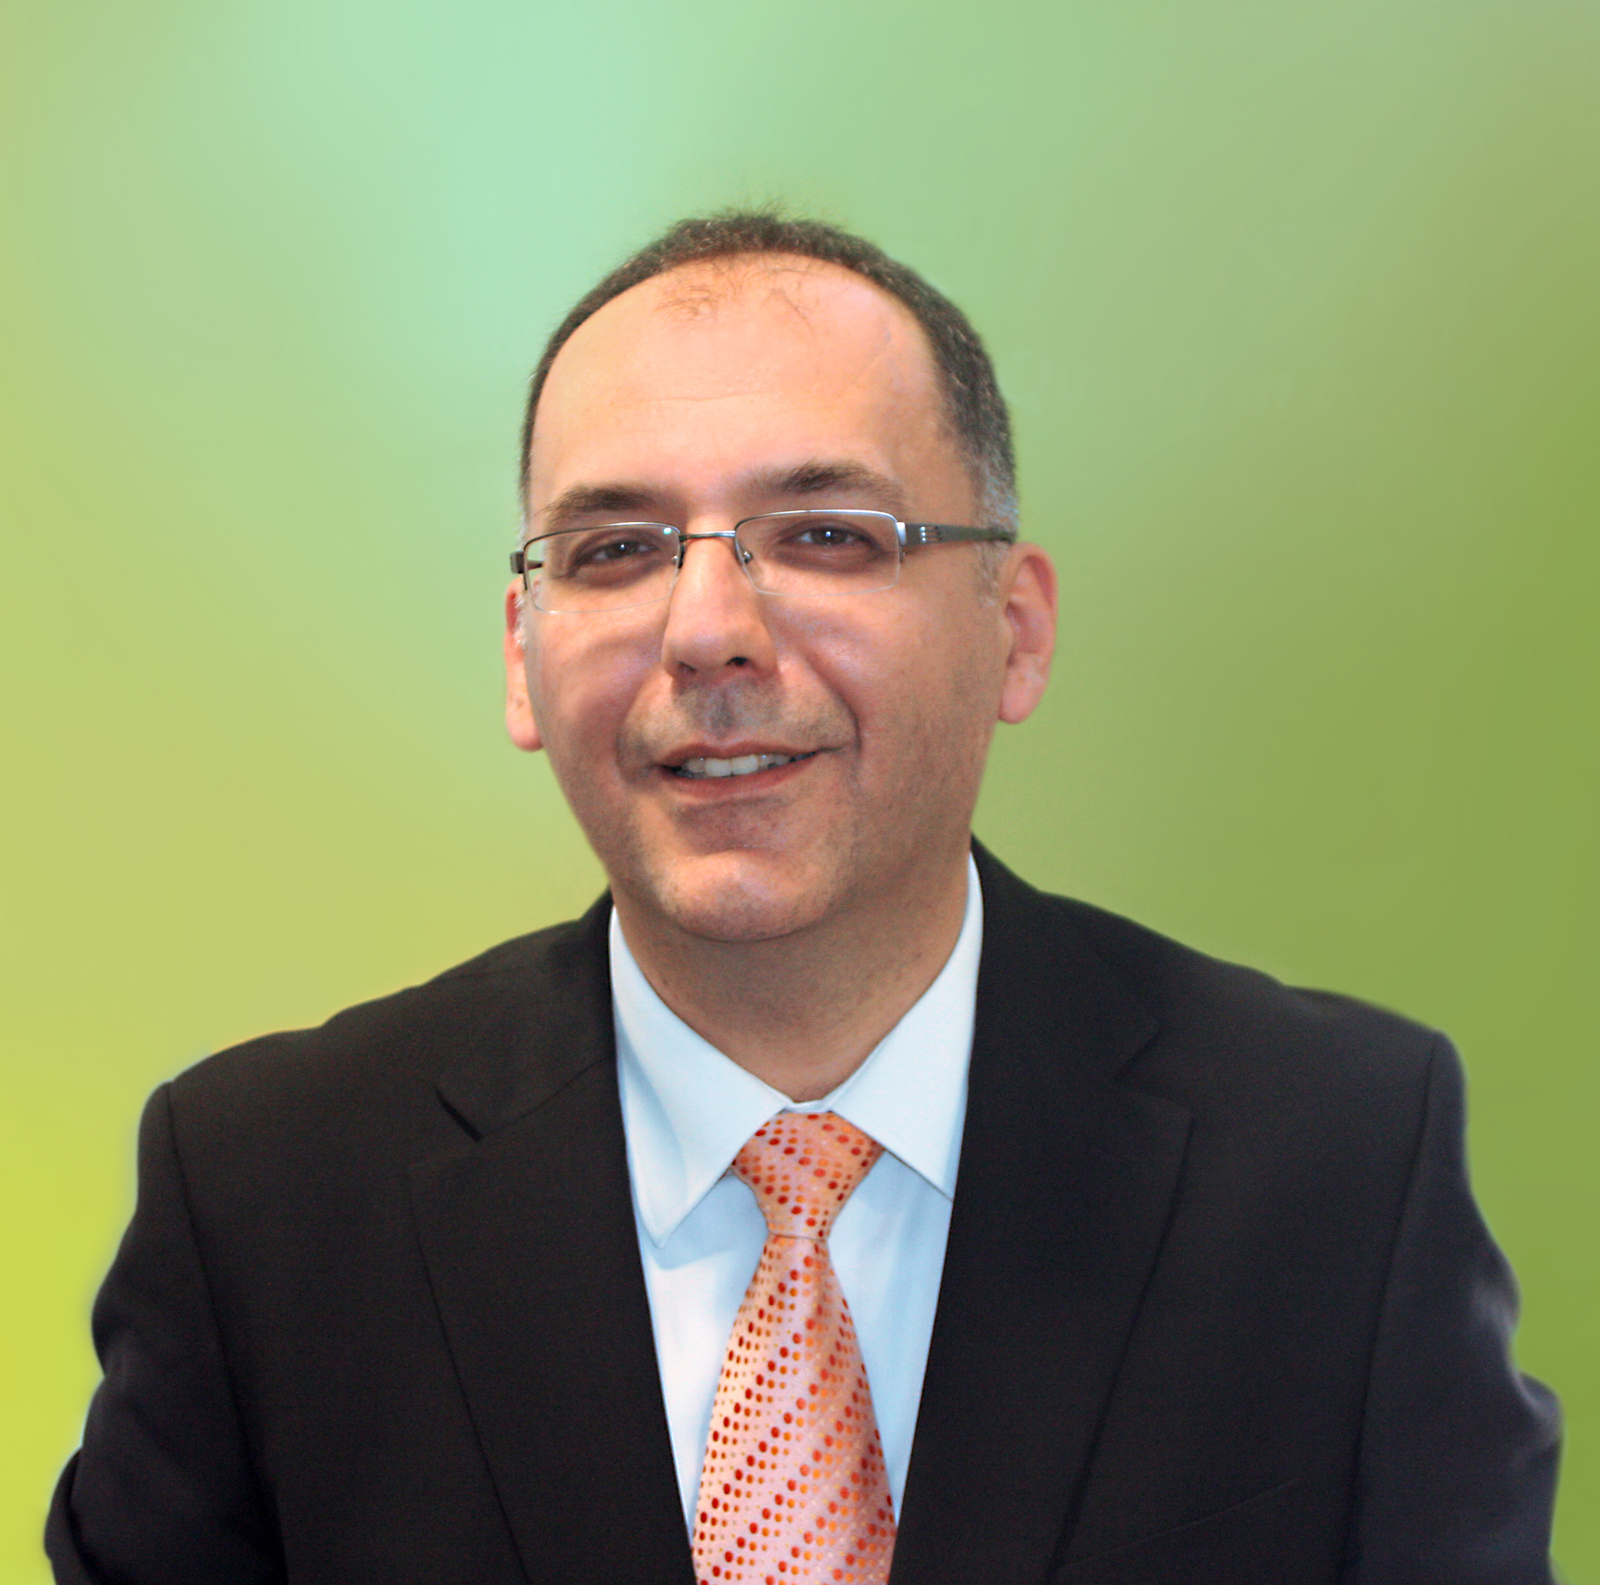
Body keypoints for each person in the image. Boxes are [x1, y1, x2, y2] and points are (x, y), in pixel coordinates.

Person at [46, 211, 1560, 1585]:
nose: (706, 629)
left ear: (1016, 627)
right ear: (521, 652)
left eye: (826, 536)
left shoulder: (1336, 1164)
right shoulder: (265, 1201)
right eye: (616, 550)